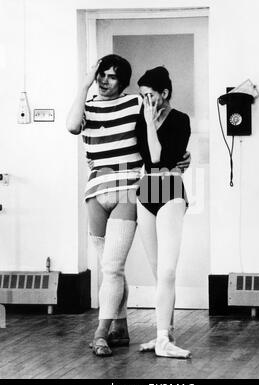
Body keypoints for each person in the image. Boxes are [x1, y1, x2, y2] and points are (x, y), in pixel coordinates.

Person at [66, 54, 191, 357]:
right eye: (100, 75)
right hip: (106, 188)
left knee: (128, 267)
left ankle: (116, 333)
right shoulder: (92, 106)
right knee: (112, 266)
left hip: (137, 187)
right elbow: (72, 126)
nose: (103, 80)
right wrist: (84, 83)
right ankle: (124, 326)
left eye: (111, 76)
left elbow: (160, 146)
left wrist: (181, 159)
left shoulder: (138, 104)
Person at [136, 66, 192, 359]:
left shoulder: (181, 120)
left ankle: (162, 339)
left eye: (150, 95)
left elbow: (158, 158)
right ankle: (164, 334)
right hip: (146, 195)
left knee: (168, 271)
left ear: (164, 94)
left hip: (170, 192)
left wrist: (149, 124)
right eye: (142, 95)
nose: (145, 101)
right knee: (158, 271)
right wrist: (146, 122)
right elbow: (146, 161)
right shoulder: (140, 120)